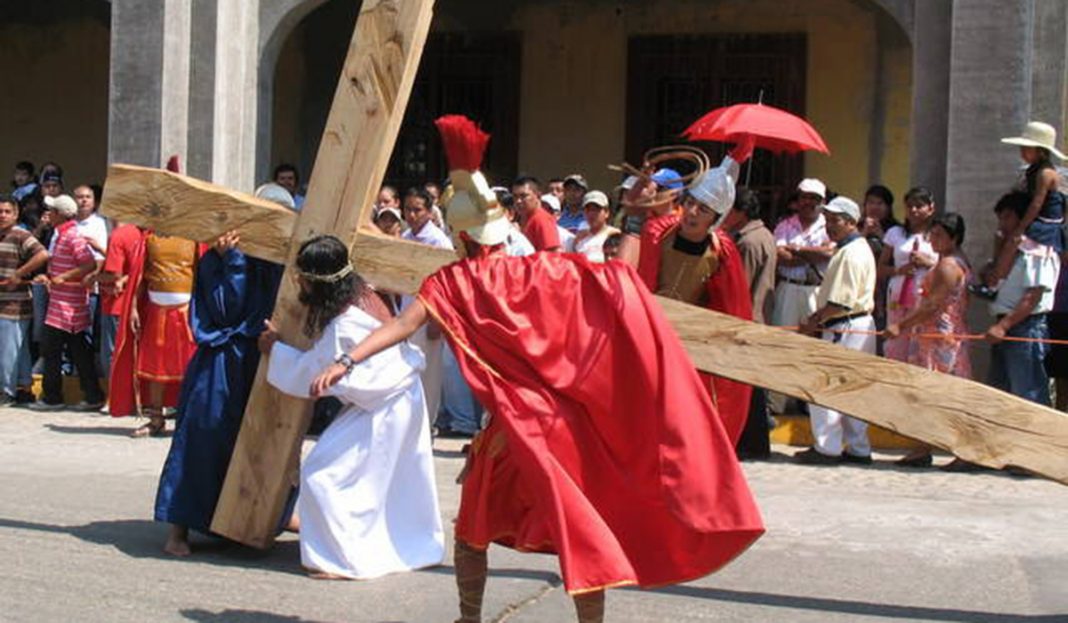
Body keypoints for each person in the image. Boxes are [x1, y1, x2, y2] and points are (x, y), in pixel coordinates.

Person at [310, 115, 763, 621]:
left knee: (473, 528)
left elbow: (400, 326)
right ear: (500, 231)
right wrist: (632, 220)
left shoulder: (452, 281)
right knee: (581, 533)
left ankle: (469, 618)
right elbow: (622, 277)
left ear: (461, 239)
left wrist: (346, 358)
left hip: (511, 430)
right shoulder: (546, 268)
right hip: (561, 428)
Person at [260, 234, 444, 579]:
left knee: (322, 475)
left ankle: (341, 560)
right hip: (394, 400)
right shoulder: (365, 294)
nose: (298, 282)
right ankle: (409, 544)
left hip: (386, 407)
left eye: (303, 277)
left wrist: (276, 350)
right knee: (389, 481)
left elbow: (316, 373)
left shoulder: (344, 325)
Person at [154, 184, 294, 557]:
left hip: (262, 358)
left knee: (260, 443)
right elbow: (225, 309)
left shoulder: (281, 256)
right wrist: (230, 259)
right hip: (221, 359)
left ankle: (260, 519)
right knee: (203, 438)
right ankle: (179, 528)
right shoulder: (222, 253)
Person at [653, 158, 754, 444]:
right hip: (650, 333)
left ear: (716, 218)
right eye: (691, 202)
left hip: (689, 343)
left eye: (704, 209)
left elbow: (730, 306)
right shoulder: (659, 235)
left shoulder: (721, 252)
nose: (693, 212)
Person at [885, 212, 971, 467]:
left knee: (943, 393)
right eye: (932, 234)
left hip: (939, 337)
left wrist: (900, 325)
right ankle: (922, 448)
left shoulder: (948, 266)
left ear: (953, 239)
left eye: (940, 235)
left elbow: (933, 305)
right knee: (928, 392)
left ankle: (960, 451)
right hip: (937, 334)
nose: (933, 239)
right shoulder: (952, 262)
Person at [796, 196, 877, 465]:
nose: (830, 226)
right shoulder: (854, 249)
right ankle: (857, 446)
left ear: (851, 222)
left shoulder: (850, 253)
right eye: (828, 220)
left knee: (827, 385)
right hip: (855, 323)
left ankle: (827, 446)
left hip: (844, 324)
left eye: (836, 220)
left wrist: (813, 322)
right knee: (853, 387)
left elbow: (838, 302)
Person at [983, 191, 1059, 406]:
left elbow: (1033, 296)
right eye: (1000, 218)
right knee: (1000, 393)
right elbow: (992, 280)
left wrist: (1004, 326)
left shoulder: (1039, 251)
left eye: (1007, 217)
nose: (1003, 224)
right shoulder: (1011, 250)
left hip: (1025, 327)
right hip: (1003, 324)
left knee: (1028, 394)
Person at [28, 195, 104, 411]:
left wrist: (65, 276)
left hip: (70, 306)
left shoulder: (73, 236)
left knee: (52, 350)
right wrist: (50, 277)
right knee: (76, 351)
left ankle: (54, 397)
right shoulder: (61, 235)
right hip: (60, 304)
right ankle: (91, 395)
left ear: (60, 214)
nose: (48, 214)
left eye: (51, 211)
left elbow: (88, 264)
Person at [720, 187, 777, 459]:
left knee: (745, 388)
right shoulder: (761, 234)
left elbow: (739, 284)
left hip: (746, 318)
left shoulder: (748, 242)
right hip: (755, 317)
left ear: (741, 211)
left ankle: (750, 442)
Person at [769, 178, 833, 415]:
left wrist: (797, 250)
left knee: (813, 346)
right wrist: (810, 254)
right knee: (783, 343)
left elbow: (829, 252)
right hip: (789, 287)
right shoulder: (785, 224)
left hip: (815, 290)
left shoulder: (829, 224)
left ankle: (809, 405)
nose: (809, 202)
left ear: (822, 202)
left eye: (814, 199)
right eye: (805, 197)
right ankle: (778, 403)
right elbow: (780, 255)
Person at [983, 122, 1066, 291]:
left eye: (1027, 148)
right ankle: (995, 277)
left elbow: (1037, 203)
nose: (1022, 151)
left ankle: (995, 285)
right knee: (1003, 239)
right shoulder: (1031, 171)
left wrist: (1021, 229)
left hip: (1046, 223)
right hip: (1036, 219)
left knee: (1013, 242)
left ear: (1040, 151)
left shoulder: (1045, 173)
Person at [401, 187, 455, 428]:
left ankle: (426, 426)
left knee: (429, 376)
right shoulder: (405, 237)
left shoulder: (439, 241)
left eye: (417, 210)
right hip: (406, 314)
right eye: (408, 209)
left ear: (430, 212)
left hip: (428, 317)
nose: (412, 215)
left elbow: (444, 285)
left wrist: (436, 320)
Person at [879, 187, 938, 363]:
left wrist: (928, 263)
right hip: (898, 295)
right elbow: (880, 268)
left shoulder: (937, 234)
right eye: (910, 206)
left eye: (919, 206)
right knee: (896, 342)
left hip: (925, 296)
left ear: (930, 208)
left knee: (920, 344)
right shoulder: (895, 233)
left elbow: (948, 266)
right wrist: (899, 270)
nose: (914, 210)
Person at [0, 195, 48, 406]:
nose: (2, 216)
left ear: (16, 213)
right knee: (19, 350)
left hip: (15, 304)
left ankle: (6, 391)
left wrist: (19, 273)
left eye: (7, 211)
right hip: (3, 302)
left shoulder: (21, 235)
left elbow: (42, 254)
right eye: (0, 212)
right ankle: (24, 388)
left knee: (7, 351)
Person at [513, 176, 561, 252]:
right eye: (515, 196)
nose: (518, 201)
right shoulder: (522, 218)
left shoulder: (542, 219)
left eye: (524, 196)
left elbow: (554, 255)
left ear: (538, 196)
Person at [573, 191, 620, 263]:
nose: (591, 214)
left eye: (596, 209)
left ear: (606, 212)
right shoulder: (579, 238)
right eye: (588, 209)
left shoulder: (615, 234)